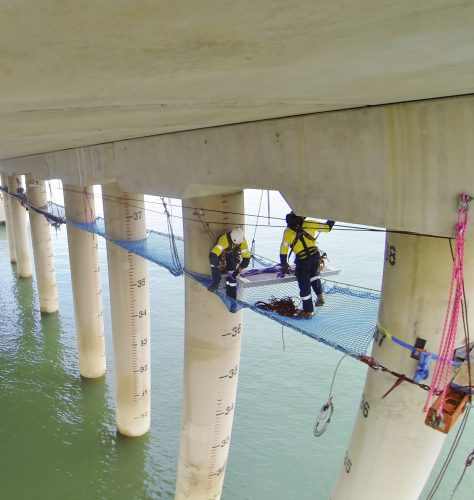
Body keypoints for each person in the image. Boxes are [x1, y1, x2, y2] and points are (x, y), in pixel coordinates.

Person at [280, 212, 335, 318]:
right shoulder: (309, 223)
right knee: (314, 275)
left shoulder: (288, 232)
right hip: (315, 257)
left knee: (304, 285)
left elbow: (284, 248)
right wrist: (333, 217)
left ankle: (308, 311)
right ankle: (320, 295)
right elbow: (327, 228)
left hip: (303, 261)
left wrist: (284, 263)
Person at [207, 227, 251, 299]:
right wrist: (219, 266)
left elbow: (246, 259)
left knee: (232, 272)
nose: (238, 245)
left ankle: (232, 294)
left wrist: (238, 270)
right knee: (214, 265)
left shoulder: (242, 241)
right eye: (236, 243)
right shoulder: (224, 240)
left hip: (231, 255)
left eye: (239, 244)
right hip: (220, 254)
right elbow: (212, 256)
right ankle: (216, 283)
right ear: (232, 239)